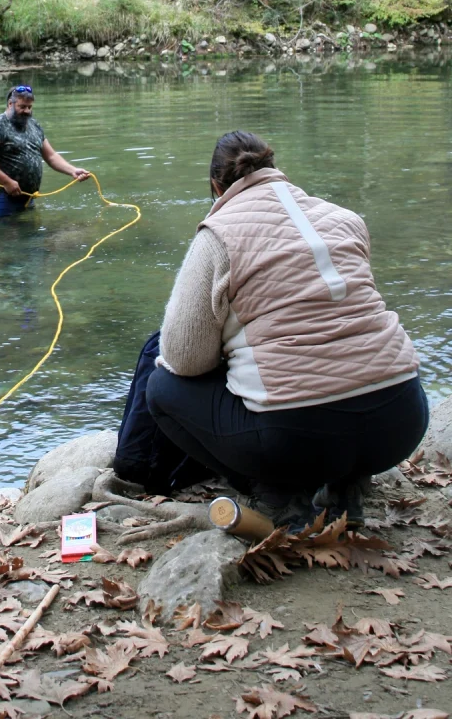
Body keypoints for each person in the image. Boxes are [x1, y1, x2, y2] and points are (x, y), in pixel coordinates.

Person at [134, 131, 428, 528]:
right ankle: (348, 487)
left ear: (216, 187)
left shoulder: (218, 234)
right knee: (351, 382)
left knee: (162, 386)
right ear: (275, 170)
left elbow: (185, 359)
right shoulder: (345, 218)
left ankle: (278, 494)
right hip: (401, 421)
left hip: (298, 438)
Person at [0, 85, 90, 217]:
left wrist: (73, 171)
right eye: (22, 107)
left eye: (29, 107)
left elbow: (51, 156)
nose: (27, 111)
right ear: (10, 104)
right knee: (2, 235)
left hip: (27, 198)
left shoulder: (34, 125)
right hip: (0, 199)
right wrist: (6, 182)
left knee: (28, 235)